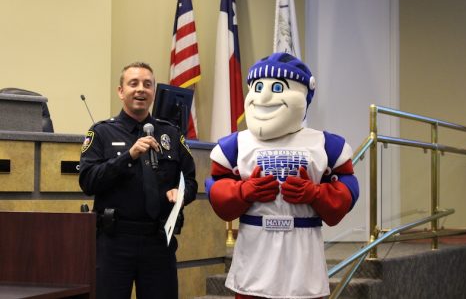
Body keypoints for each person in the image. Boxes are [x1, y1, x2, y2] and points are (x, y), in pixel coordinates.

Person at [205, 53, 359, 299]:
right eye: (258, 87)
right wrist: (243, 192)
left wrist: (316, 194)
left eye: (278, 87)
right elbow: (217, 190)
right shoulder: (235, 145)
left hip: (303, 253)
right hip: (255, 252)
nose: (264, 96)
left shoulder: (326, 145)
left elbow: (348, 190)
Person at [79, 61, 197, 299]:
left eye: (147, 84)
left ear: (154, 91)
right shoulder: (101, 132)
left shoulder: (170, 134)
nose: (140, 89)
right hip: (114, 242)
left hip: (158, 240)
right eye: (133, 84)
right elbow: (88, 181)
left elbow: (191, 181)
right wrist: (128, 157)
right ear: (121, 91)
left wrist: (181, 193)